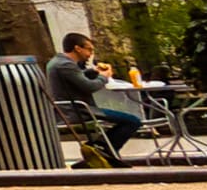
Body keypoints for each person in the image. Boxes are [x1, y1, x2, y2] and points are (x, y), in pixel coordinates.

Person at [51, 30, 142, 163]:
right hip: (78, 111)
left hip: (72, 109)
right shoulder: (65, 65)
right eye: (89, 50)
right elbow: (89, 87)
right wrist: (104, 77)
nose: (90, 55)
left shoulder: (59, 62)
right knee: (133, 121)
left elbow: (77, 77)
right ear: (78, 48)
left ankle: (101, 148)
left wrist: (93, 72)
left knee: (128, 120)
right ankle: (102, 149)